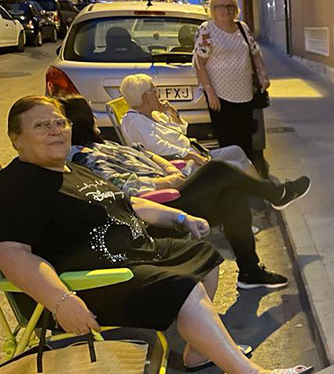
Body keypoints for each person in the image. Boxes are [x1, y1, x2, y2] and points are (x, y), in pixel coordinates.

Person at [0, 96, 312, 374]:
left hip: (133, 254)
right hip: (93, 279)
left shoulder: (71, 170)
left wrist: (180, 217)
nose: (55, 130)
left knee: (205, 257)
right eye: (41, 125)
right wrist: (62, 301)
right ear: (16, 138)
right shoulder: (18, 185)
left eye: (59, 122)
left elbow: (129, 203)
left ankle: (199, 351)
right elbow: (12, 254)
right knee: (183, 284)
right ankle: (249, 372)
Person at [63, 95, 310, 289]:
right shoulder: (85, 157)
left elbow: (146, 153)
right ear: (82, 121)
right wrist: (168, 181)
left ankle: (250, 271)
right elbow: (124, 188)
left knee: (230, 195)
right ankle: (276, 194)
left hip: (173, 185)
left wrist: (170, 168)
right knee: (218, 170)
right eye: (89, 114)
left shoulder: (101, 145)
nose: (95, 120)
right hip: (159, 209)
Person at [119, 73, 266, 179]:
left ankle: (265, 195)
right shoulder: (134, 122)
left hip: (195, 155)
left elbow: (181, 130)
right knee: (235, 168)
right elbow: (157, 147)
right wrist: (191, 156)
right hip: (182, 166)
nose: (158, 94)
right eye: (155, 91)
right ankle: (262, 199)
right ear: (146, 97)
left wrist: (172, 114)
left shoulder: (153, 114)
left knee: (236, 151)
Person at [194, 0, 270, 174]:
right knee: (228, 144)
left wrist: (262, 74)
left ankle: (248, 179)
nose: (226, 10)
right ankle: (233, 180)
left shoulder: (242, 28)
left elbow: (255, 52)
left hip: (245, 94)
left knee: (246, 142)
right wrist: (210, 92)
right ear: (213, 8)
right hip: (221, 97)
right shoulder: (207, 30)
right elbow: (199, 64)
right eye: (220, 6)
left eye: (230, 5)